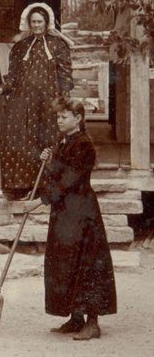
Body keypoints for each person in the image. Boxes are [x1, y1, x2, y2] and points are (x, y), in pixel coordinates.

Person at [39, 98, 117, 340]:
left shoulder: (84, 145)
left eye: (64, 116)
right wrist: (47, 162)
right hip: (65, 213)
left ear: (78, 118)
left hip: (82, 213)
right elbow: (56, 175)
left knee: (87, 263)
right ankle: (75, 318)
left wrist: (42, 200)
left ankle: (92, 322)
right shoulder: (62, 143)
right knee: (65, 261)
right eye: (58, 116)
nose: (59, 120)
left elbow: (69, 180)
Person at [0, 2, 74, 200]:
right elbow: (12, 77)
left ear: (47, 23)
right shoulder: (20, 47)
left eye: (40, 22)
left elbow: (65, 75)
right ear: (28, 23)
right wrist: (1, 88)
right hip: (22, 102)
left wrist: (64, 98)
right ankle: (20, 186)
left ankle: (46, 187)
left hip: (48, 102)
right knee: (19, 140)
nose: (36, 25)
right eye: (33, 22)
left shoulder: (58, 46)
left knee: (46, 141)